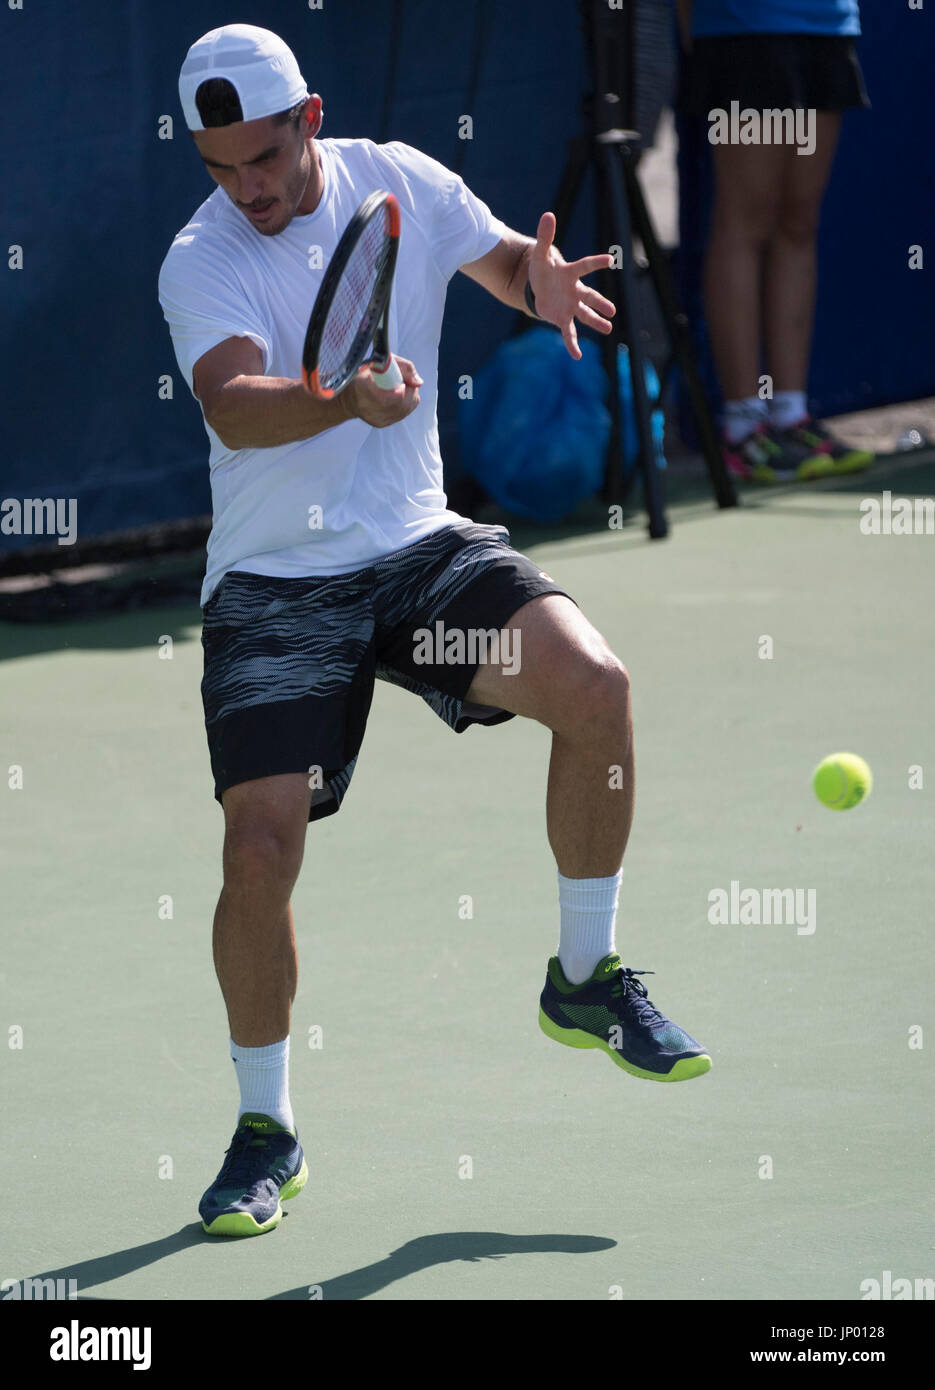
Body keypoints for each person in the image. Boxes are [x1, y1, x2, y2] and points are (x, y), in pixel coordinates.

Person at [158, 24, 712, 1240]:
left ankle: (583, 977)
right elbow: (236, 408)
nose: (244, 186)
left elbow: (506, 260)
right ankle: (265, 1129)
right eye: (218, 166)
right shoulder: (200, 259)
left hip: (414, 554)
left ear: (308, 121)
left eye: (259, 156)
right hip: (274, 584)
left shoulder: (399, 178)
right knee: (256, 855)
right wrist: (336, 396)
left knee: (595, 687)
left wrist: (540, 284)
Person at [677, 0, 873, 481]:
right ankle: (743, 428)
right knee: (746, 222)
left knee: (798, 222)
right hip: (747, 30)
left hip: (827, 26)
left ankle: (790, 415)